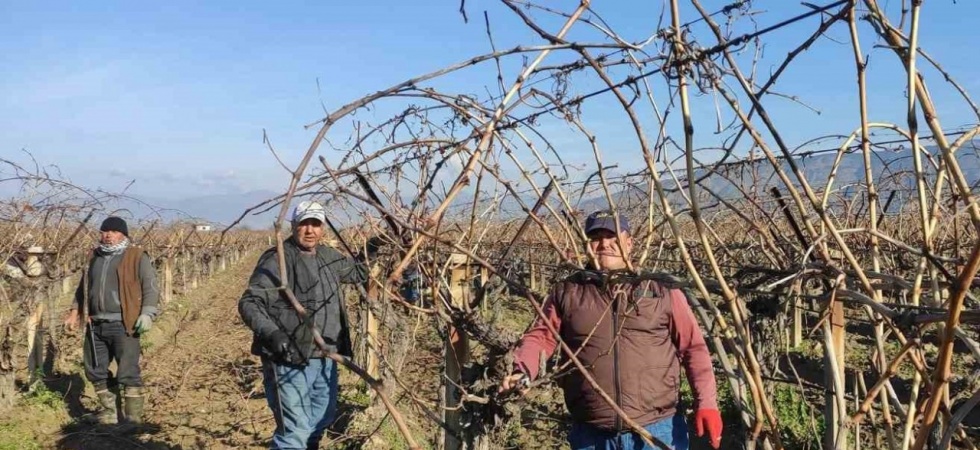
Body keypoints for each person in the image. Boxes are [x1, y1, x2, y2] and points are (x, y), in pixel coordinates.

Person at [499, 210, 723, 450]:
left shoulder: (660, 289)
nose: (604, 243)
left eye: (612, 236)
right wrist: (521, 369)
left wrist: (707, 403)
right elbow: (541, 337)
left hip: (656, 430)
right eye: (596, 238)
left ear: (629, 243)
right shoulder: (568, 291)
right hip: (592, 434)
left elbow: (693, 348)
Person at [239, 200, 377, 450]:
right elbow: (250, 301)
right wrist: (273, 335)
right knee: (294, 432)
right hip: (290, 356)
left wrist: (374, 246)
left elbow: (357, 273)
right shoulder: (278, 259)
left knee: (318, 423)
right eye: (304, 224)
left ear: (323, 228)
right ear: (293, 226)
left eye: (316, 224)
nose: (310, 230)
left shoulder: (328, 256)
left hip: (326, 355)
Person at [64, 216, 159, 425]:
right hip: (95, 323)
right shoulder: (95, 257)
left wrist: (147, 313)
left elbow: (150, 286)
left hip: (124, 324)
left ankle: (132, 420)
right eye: (104, 231)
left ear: (123, 234)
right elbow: (83, 288)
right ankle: (110, 412)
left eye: (114, 231)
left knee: (128, 371)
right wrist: (74, 311)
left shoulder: (136, 256)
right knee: (95, 370)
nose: (108, 235)